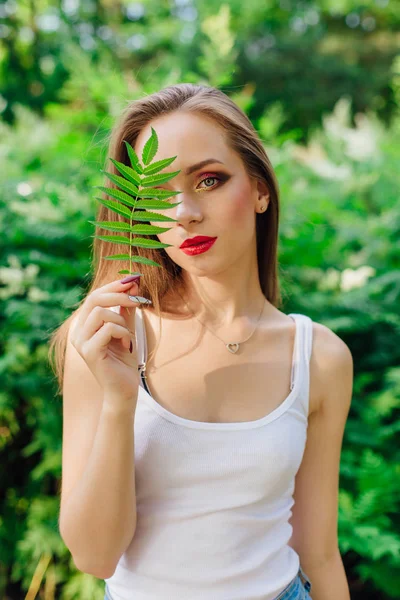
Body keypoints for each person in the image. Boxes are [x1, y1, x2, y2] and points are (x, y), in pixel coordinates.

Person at [49, 83, 353, 599]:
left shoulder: (319, 357)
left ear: (260, 191)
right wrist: (121, 401)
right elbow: (95, 557)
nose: (185, 212)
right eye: (158, 194)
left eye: (209, 180)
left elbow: (319, 552)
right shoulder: (110, 340)